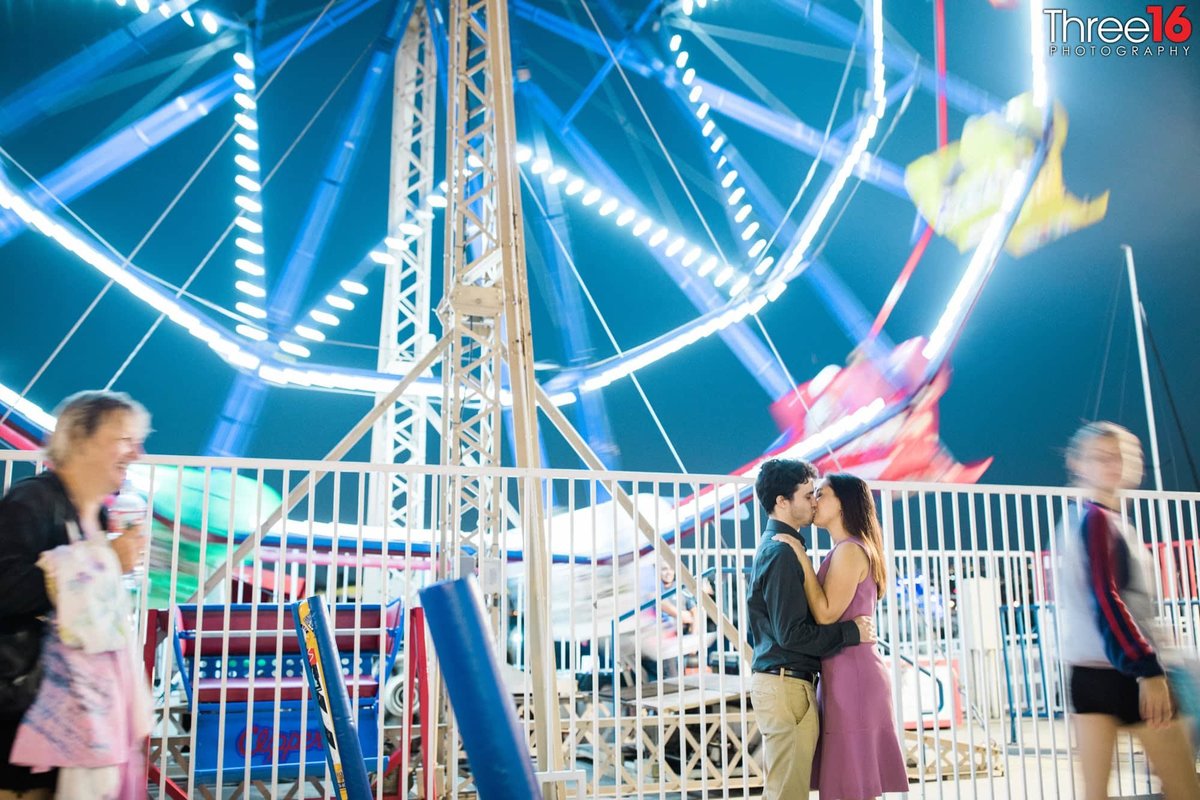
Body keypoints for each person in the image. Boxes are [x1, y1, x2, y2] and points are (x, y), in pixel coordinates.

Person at [0, 391, 150, 800]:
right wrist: (102, 560)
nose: (136, 453)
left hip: (80, 717)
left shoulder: (96, 516)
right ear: (81, 440)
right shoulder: (32, 502)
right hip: (25, 712)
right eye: (124, 439)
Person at [1054, 422, 1200, 800]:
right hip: (1131, 675)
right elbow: (1106, 597)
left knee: (1095, 793)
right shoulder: (1099, 520)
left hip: (1086, 675)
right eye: (1102, 457)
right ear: (1078, 464)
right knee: (1184, 788)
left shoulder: (1076, 523)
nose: (1114, 465)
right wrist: (1148, 668)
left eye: (1122, 456)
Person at [772, 473, 908, 800]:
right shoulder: (847, 549)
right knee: (852, 781)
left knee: (850, 781)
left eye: (821, 494)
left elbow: (826, 613)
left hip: (853, 674)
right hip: (845, 670)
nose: (814, 501)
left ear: (844, 501)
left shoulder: (849, 550)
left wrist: (801, 558)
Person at [747, 458, 874, 800]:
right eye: (807, 495)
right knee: (787, 792)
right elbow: (793, 635)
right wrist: (851, 633)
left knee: (786, 788)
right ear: (782, 502)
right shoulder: (783, 552)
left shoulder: (783, 548)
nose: (814, 501)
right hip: (786, 684)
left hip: (782, 682)